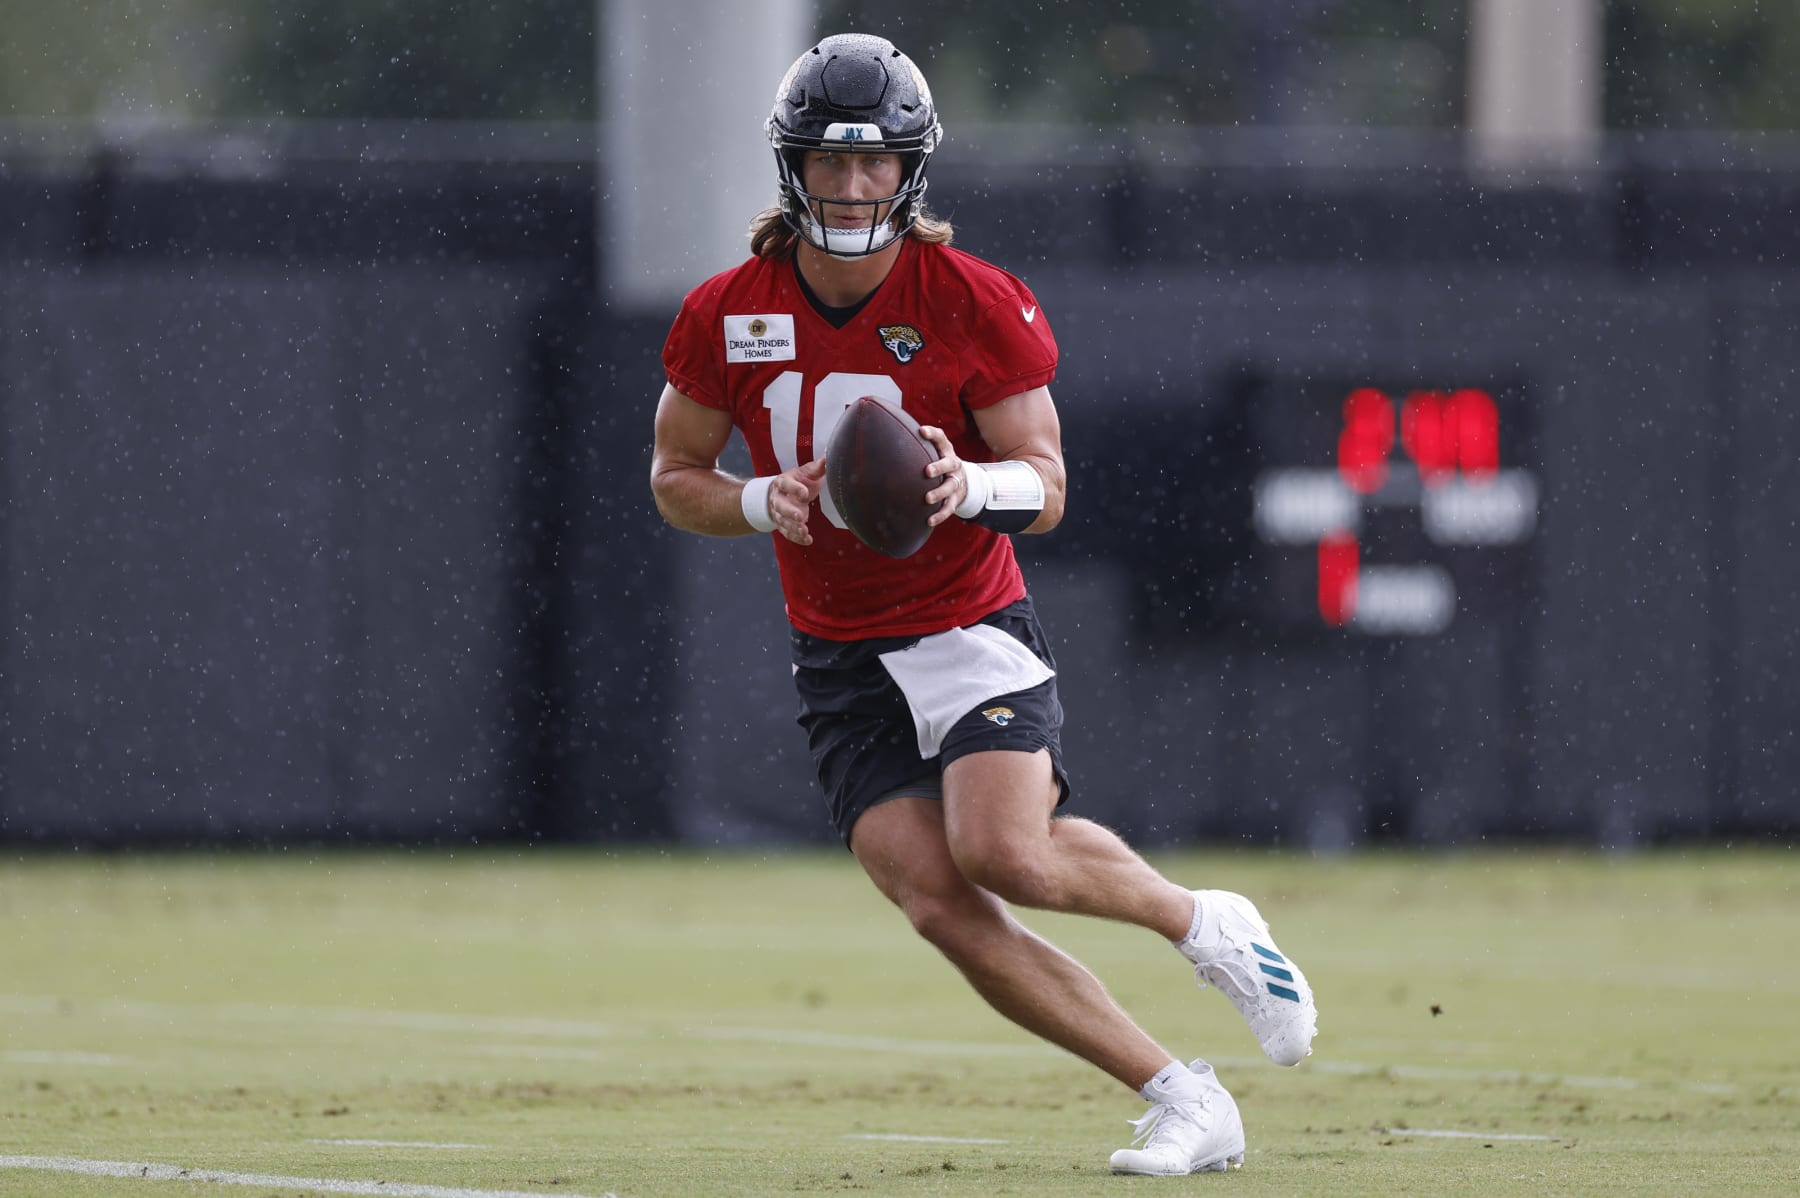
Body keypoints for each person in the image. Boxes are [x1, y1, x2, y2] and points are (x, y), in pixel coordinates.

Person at [648, 32, 1318, 1176]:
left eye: (874, 164)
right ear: (791, 166)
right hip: (840, 652)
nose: (853, 186)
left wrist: (968, 483)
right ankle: (1182, 1095)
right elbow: (675, 480)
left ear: (910, 170)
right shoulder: (727, 311)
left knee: (1007, 852)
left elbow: (1049, 484)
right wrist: (766, 501)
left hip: (964, 625)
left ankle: (1204, 924)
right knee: (939, 903)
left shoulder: (971, 297)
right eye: (829, 161)